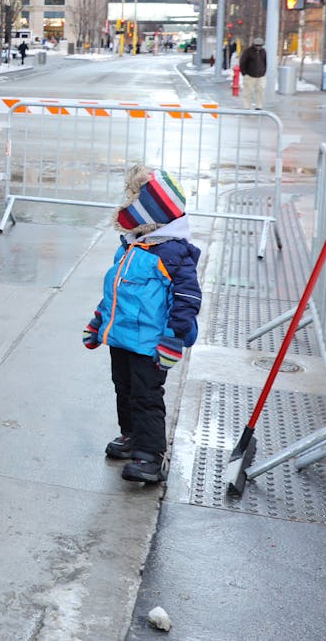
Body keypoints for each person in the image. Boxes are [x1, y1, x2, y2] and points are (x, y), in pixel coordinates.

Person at [82, 165, 202, 484]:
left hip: (150, 343)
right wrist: (99, 321)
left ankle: (151, 454)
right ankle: (132, 435)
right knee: (124, 389)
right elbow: (116, 290)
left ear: (150, 212)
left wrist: (174, 338)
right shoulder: (132, 245)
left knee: (146, 395)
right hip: (122, 338)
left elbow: (188, 298)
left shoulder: (174, 252)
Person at [239, 36, 268, 109]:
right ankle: (247, 107)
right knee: (247, 92)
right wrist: (244, 73)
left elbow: (265, 62)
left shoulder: (263, 52)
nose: (259, 47)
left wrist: (264, 71)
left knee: (261, 91)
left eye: (260, 45)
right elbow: (242, 62)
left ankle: (259, 106)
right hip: (249, 75)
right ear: (254, 45)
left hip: (261, 76)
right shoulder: (248, 51)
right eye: (257, 45)